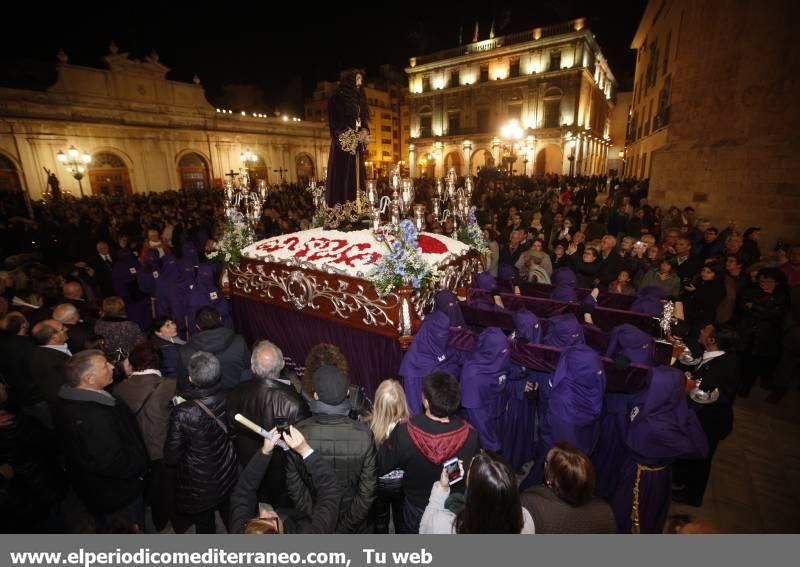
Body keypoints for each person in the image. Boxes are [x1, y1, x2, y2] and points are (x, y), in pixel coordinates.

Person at [53, 350, 148, 531]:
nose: (112, 367)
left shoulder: (71, 400)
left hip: (101, 491)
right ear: (89, 379)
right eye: (105, 365)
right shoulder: (92, 417)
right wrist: (139, 470)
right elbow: (113, 463)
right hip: (118, 496)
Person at [377, 371, 480, 533]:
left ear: (425, 401)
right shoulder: (471, 436)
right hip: (451, 506)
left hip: (414, 504)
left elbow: (382, 465)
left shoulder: (404, 431)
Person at [612, 367, 708, 533]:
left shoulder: (641, 399)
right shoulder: (661, 426)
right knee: (641, 520)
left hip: (632, 465)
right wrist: (687, 409)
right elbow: (700, 450)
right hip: (648, 478)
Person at [285, 365, 376, 533]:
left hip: (317, 516)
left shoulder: (298, 434)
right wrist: (346, 526)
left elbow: (295, 487)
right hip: (352, 521)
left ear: (316, 396)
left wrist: (318, 520)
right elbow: (367, 490)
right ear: (348, 393)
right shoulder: (364, 434)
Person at [227, 340, 309, 508]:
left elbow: (231, 428)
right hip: (283, 468)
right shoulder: (294, 401)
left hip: (249, 460)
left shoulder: (236, 393)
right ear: (283, 364)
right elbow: (304, 439)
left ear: (252, 366)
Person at [164, 351, 238, 533]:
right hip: (227, 470)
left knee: (206, 526)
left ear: (190, 378)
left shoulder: (182, 412)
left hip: (198, 484)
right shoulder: (231, 396)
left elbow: (171, 456)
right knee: (233, 520)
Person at [672, 325, 740, 507]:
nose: (700, 331)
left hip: (711, 420)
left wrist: (686, 383)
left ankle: (692, 496)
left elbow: (701, 392)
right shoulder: (717, 355)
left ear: (712, 341)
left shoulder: (721, 366)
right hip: (705, 416)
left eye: (705, 331)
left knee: (702, 457)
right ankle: (680, 480)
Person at [229, 426, 341, 534]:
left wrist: (264, 452)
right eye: (271, 521)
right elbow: (330, 492)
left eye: (258, 518)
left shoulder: (242, 531)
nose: (264, 512)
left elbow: (243, 492)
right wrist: (305, 451)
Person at [113, 342, 176, 531]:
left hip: (136, 448)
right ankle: (164, 519)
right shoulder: (169, 385)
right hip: (161, 446)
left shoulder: (119, 387)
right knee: (165, 488)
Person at [419, 451, 535, 534]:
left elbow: (424, 528)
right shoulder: (525, 519)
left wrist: (442, 488)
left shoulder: (443, 524)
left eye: (470, 468)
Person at [520, 442, 615, 534]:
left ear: (551, 478)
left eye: (546, 461)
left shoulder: (531, 506)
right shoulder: (606, 511)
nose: (544, 464)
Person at [399, 310, 464, 416]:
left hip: (455, 409)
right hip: (432, 419)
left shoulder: (446, 344)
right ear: (428, 332)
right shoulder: (414, 363)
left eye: (445, 334)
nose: (443, 338)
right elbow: (414, 410)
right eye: (440, 334)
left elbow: (460, 359)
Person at [366, 379, 410, 533]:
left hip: (378, 485)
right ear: (403, 402)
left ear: (377, 403)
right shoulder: (411, 428)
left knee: (379, 521)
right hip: (403, 484)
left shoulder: (367, 428)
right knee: (401, 521)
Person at [736, 267, 787, 396]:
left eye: (768, 280)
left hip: (764, 336)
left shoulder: (781, 297)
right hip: (746, 331)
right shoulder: (752, 290)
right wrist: (760, 310)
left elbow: (774, 315)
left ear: (776, 282)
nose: (763, 282)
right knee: (741, 358)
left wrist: (755, 307)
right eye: (762, 279)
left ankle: (746, 386)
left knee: (754, 363)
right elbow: (743, 307)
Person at [502, 309, 542, 471]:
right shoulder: (509, 343)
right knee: (514, 431)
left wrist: (537, 380)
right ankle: (509, 464)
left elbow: (539, 361)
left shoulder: (534, 335)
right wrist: (520, 385)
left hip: (529, 394)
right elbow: (503, 374)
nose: (536, 329)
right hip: (514, 397)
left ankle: (521, 458)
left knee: (526, 428)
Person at [176, 306, 250, 393]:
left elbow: (183, 385)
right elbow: (248, 370)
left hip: (204, 401)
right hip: (237, 397)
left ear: (197, 326)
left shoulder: (185, 351)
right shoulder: (239, 341)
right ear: (220, 318)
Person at [460, 327, 510, 452]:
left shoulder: (498, 357)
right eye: (501, 350)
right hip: (480, 430)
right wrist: (492, 443)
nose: (505, 353)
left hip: (498, 414)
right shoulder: (472, 374)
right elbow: (477, 415)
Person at [325, 70, 370, 206]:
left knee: (357, 180)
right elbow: (336, 126)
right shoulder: (336, 100)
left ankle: (359, 211)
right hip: (342, 152)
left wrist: (365, 132)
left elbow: (363, 124)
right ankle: (344, 215)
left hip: (356, 152)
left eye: (361, 79)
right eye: (357, 79)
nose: (360, 82)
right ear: (349, 81)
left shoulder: (358, 103)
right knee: (343, 180)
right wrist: (356, 137)